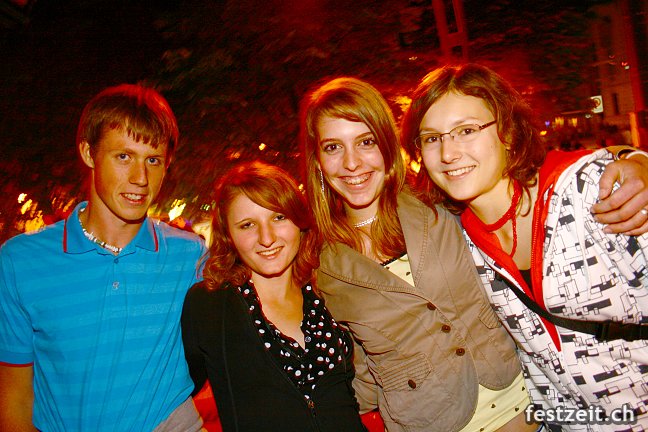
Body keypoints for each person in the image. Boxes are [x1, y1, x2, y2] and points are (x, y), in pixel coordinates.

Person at [400, 63, 648, 431]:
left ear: (508, 133)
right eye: (432, 138)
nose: (448, 153)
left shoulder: (592, 193)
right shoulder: (456, 237)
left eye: (466, 130)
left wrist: (638, 159)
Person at [299, 76, 533, 432]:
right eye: (333, 147)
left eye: (366, 142)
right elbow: (360, 370)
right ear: (317, 160)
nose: (352, 163)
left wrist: (621, 160)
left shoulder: (442, 203)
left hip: (526, 407)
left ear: (387, 144)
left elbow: (522, 190)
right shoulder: (320, 266)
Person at [0, 84, 206, 431]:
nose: (140, 179)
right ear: (88, 153)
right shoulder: (20, 262)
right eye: (123, 156)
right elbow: (15, 400)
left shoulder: (190, 256)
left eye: (153, 160)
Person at [181, 160, 366, 432]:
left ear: (299, 221)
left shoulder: (326, 288)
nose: (266, 238)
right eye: (247, 225)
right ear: (228, 235)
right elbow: (175, 390)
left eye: (278, 217)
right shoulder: (210, 305)